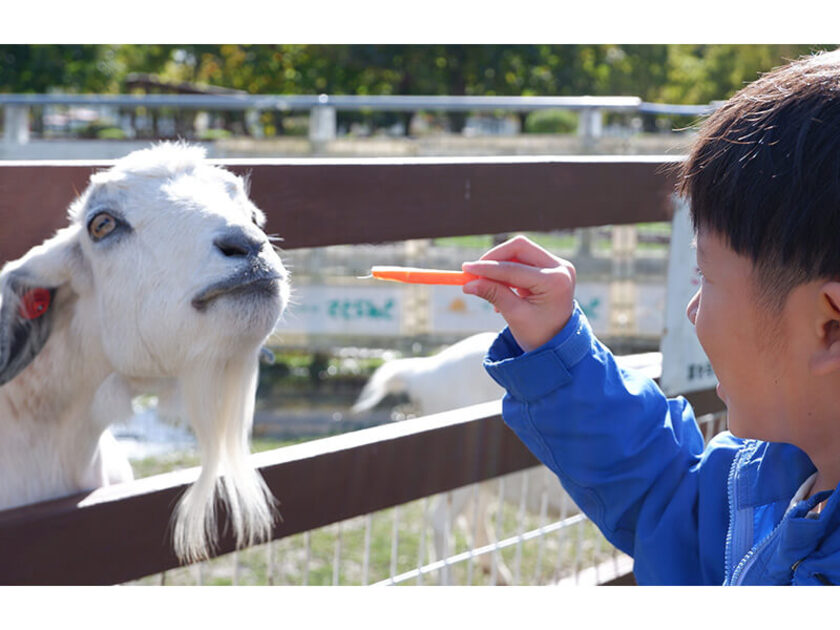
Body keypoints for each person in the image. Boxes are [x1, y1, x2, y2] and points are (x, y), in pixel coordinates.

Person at [460, 49, 840, 586]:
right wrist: (556, 350)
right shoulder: (768, 477)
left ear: (829, 327)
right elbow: (666, 497)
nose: (693, 307)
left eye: (705, 278)